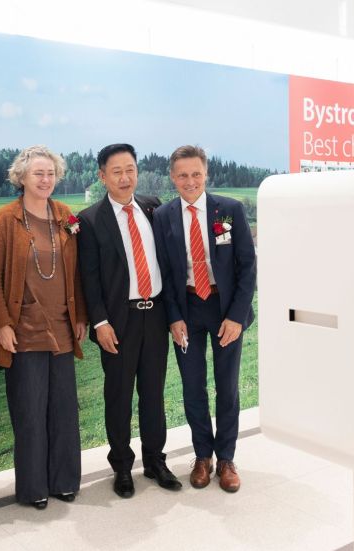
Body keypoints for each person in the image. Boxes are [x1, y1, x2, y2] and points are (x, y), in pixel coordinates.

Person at [0, 145, 88, 509]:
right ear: (21, 178)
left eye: (50, 174)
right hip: (23, 328)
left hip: (61, 326)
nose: (45, 180)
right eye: (37, 174)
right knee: (29, 412)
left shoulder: (64, 215)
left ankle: (63, 481)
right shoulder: (5, 219)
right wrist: (1, 324)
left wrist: (80, 317)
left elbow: (76, 270)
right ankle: (33, 488)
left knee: (63, 410)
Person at [77, 143, 180, 498]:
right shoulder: (90, 220)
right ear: (103, 176)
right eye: (116, 171)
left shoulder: (153, 208)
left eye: (130, 169)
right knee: (118, 397)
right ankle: (122, 466)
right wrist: (99, 322)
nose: (125, 177)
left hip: (156, 317)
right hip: (118, 322)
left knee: (154, 394)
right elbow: (88, 279)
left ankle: (155, 461)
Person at [152, 145, 256, 493]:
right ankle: (203, 456)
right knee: (192, 386)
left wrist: (237, 317)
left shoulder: (228, 210)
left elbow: (247, 267)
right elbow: (164, 272)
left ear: (206, 173)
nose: (190, 181)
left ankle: (226, 458)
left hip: (225, 309)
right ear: (172, 177)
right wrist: (173, 317)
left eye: (196, 174)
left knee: (226, 386)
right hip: (187, 310)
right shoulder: (164, 216)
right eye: (182, 175)